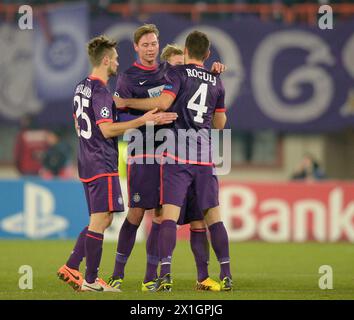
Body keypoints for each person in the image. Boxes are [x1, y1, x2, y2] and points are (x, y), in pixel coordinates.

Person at [108, 24, 226, 292]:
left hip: (171, 153)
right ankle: (117, 273)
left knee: (161, 216)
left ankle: (152, 276)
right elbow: (118, 112)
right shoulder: (128, 78)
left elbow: (193, 84)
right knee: (136, 213)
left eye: (154, 44)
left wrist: (213, 71)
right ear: (136, 47)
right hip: (142, 151)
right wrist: (145, 119)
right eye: (145, 45)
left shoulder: (170, 72)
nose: (151, 49)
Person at [56, 35, 177, 292]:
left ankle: (72, 265)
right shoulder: (100, 91)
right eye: (116, 59)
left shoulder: (81, 87)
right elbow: (108, 130)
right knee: (102, 220)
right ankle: (91, 280)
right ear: (106, 60)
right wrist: (141, 120)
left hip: (86, 159)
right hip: (102, 160)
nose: (118, 64)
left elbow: (78, 120)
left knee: (100, 219)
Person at [161, 43, 221, 291]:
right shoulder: (166, 79)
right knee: (161, 218)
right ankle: (157, 275)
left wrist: (212, 78)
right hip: (163, 158)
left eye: (181, 62)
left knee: (198, 221)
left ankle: (202, 276)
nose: (180, 68)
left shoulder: (182, 79)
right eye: (175, 64)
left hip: (189, 159)